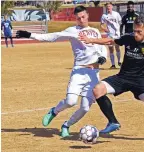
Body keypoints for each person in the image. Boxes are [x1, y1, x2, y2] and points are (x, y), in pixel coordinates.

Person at [16, 6, 107, 138]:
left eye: (83, 17)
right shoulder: (72, 31)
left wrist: (103, 57)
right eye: (78, 18)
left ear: (87, 15)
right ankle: (54, 111)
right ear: (75, 19)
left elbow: (101, 46)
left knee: (85, 108)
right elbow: (53, 36)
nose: (81, 20)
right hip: (79, 71)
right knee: (70, 101)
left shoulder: (95, 31)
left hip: (93, 74)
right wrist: (30, 35)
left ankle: (66, 126)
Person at [100, 2, 122, 69]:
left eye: (109, 6)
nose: (108, 8)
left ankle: (119, 61)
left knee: (117, 48)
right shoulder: (104, 15)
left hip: (117, 34)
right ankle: (113, 65)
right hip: (110, 35)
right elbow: (101, 25)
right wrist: (105, 29)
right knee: (111, 49)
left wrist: (119, 31)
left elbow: (120, 23)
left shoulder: (116, 14)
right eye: (107, 6)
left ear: (112, 7)